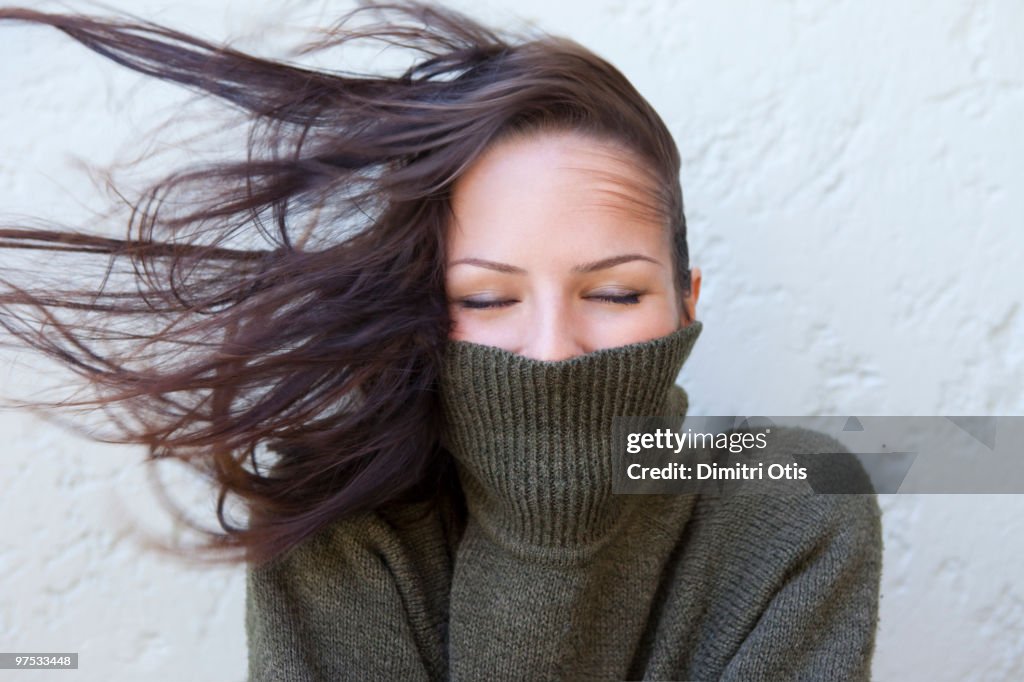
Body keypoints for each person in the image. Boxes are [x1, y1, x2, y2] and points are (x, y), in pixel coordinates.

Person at [0, 1, 882, 680]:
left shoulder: (796, 492)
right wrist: (540, 525)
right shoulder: (340, 530)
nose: (552, 349)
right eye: (489, 299)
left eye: (614, 292)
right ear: (419, 305)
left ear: (686, 303)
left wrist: (555, 516)